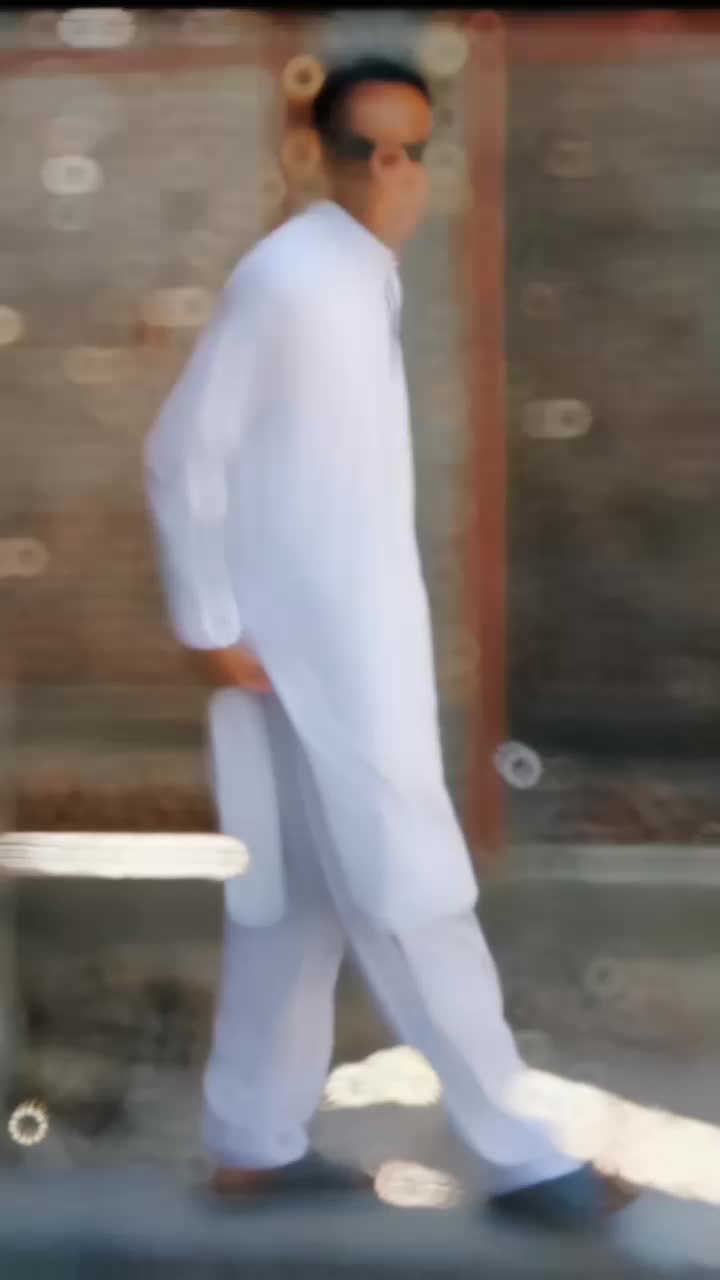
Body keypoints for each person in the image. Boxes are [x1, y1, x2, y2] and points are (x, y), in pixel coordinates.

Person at [144, 56, 638, 1231]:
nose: (390, 173)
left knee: (293, 904)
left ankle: (251, 1144)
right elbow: (180, 449)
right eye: (366, 150)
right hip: (316, 657)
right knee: (415, 890)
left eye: (410, 150)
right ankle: (523, 1157)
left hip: (323, 646)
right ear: (318, 155)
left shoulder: (361, 275)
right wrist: (209, 622)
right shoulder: (290, 277)